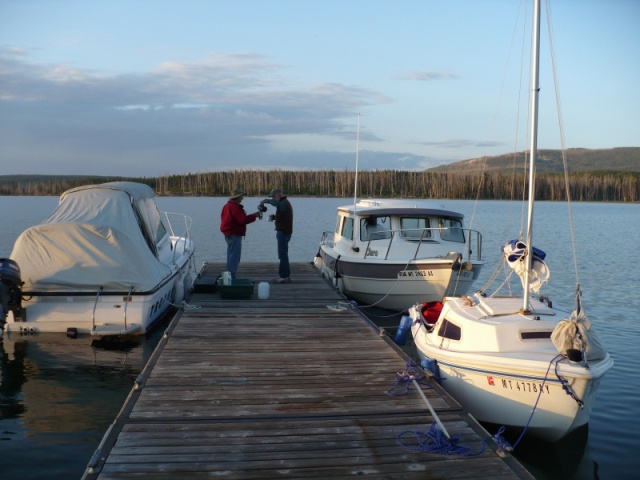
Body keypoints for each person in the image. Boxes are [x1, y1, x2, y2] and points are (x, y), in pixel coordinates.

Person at [220, 188, 260, 279]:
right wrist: (254, 216)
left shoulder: (227, 206)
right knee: (235, 256)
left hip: (228, 234)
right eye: (241, 196)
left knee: (230, 255)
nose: (242, 198)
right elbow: (243, 220)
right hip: (234, 234)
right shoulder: (234, 207)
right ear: (237, 197)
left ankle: (228, 275)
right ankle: (231, 276)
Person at [260, 188, 293, 283]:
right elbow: (282, 213)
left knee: (282, 255)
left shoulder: (283, 202)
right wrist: (275, 217)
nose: (273, 199)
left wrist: (265, 201)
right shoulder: (284, 203)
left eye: (273, 197)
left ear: (278, 195)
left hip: (283, 233)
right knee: (283, 254)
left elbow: (277, 205)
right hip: (283, 232)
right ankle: (285, 275)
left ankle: (284, 276)